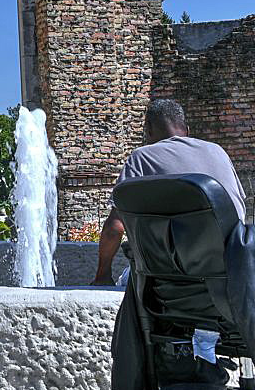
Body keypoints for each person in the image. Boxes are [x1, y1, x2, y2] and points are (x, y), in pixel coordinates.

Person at [92, 97, 246, 285]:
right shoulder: (218, 151)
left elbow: (115, 228)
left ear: (148, 130)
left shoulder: (142, 157)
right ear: (187, 130)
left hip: (176, 277)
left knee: (128, 285)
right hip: (233, 268)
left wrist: (102, 276)